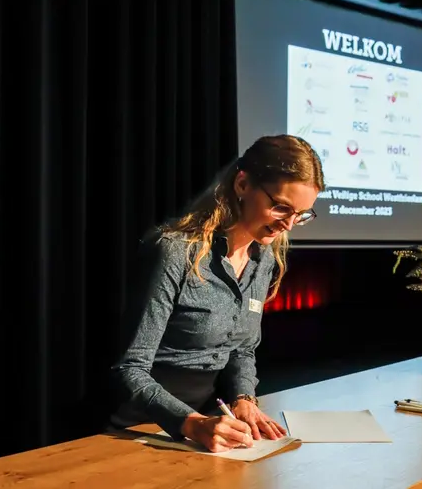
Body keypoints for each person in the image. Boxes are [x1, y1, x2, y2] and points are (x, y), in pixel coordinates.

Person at [109, 134, 325, 453]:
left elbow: (241, 350)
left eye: (301, 214)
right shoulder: (174, 252)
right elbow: (129, 369)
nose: (289, 225)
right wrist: (191, 422)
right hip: (139, 427)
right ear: (242, 185)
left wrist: (243, 398)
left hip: (208, 427)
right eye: (281, 207)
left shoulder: (263, 258)